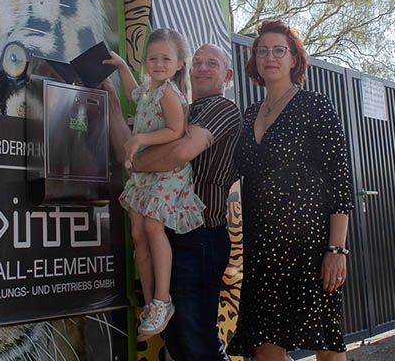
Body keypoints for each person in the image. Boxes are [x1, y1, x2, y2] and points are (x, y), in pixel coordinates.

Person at [104, 42, 242, 360]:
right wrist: (112, 101)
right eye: (199, 62)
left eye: (213, 64)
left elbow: (178, 154)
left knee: (198, 343)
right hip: (170, 235)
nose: (203, 68)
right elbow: (126, 147)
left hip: (201, 237)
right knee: (178, 342)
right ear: (188, 69)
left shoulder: (222, 109)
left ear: (228, 75)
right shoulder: (179, 107)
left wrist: (136, 159)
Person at [226, 19, 353, 361]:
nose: (271, 57)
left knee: (325, 345)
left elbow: (340, 182)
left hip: (309, 245)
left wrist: (336, 250)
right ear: (255, 60)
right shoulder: (250, 113)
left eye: (279, 50)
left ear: (294, 59)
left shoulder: (316, 106)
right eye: (263, 51)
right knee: (265, 347)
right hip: (261, 246)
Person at [103, 28, 205, 339]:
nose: (158, 63)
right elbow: (134, 93)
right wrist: (122, 67)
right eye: (152, 58)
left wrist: (141, 138)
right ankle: (150, 303)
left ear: (178, 64)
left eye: (165, 58)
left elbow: (176, 130)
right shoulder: (150, 90)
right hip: (145, 175)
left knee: (152, 226)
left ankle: (163, 299)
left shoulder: (170, 93)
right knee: (137, 232)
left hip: (165, 174)